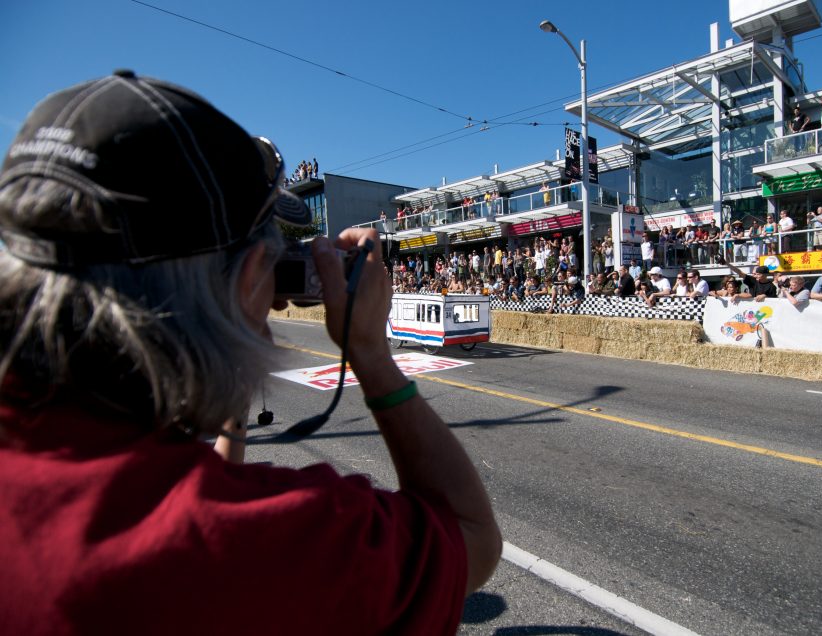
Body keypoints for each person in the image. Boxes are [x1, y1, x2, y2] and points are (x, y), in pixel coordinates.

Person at [0, 72, 500, 634]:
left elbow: (176, 481)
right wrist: (371, 355)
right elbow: (470, 537)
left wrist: (229, 390)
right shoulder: (270, 540)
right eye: (272, 261)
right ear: (243, 283)